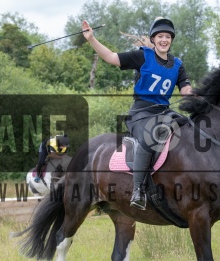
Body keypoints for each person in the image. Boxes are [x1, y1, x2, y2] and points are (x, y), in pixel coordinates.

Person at [82, 17, 192, 210]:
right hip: (141, 114)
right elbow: (111, 57)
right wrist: (91, 39)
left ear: (171, 40)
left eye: (167, 36)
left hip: (165, 113)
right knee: (150, 137)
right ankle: (138, 191)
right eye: (160, 36)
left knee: (190, 130)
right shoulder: (143, 56)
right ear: (154, 39)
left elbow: (186, 90)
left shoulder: (178, 64)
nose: (164, 40)